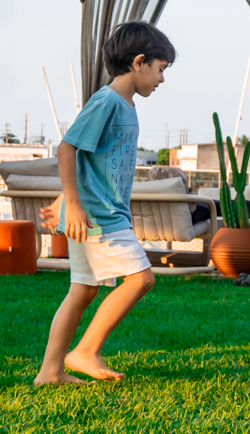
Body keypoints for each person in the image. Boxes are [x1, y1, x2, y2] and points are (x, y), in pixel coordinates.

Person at [33, 21, 173, 385]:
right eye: (160, 70)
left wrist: (65, 200)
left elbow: (89, 162)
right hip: (100, 217)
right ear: (139, 62)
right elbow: (68, 147)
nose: (161, 80)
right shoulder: (107, 100)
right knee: (141, 279)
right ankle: (84, 351)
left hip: (96, 213)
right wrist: (74, 204)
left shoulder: (125, 105)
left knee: (83, 290)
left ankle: (50, 371)